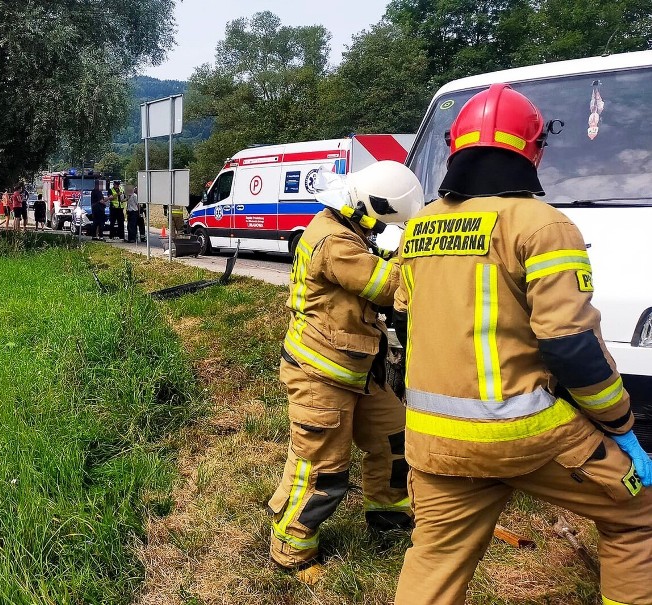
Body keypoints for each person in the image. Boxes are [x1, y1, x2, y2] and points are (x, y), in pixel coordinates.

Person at [392, 83, 652, 605]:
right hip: (527, 434)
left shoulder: (419, 226)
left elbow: (404, 322)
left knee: (436, 557)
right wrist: (621, 425)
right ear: (533, 150)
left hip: (434, 440)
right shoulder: (544, 225)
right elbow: (571, 345)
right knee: (637, 517)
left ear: (454, 146)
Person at [268, 161, 425, 585]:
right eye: (383, 222)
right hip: (321, 375)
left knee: (395, 439)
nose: (380, 231)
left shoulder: (346, 230)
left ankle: (389, 520)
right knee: (323, 469)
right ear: (366, 209)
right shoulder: (335, 242)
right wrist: (422, 252)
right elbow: (390, 287)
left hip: (355, 370)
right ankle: (292, 548)